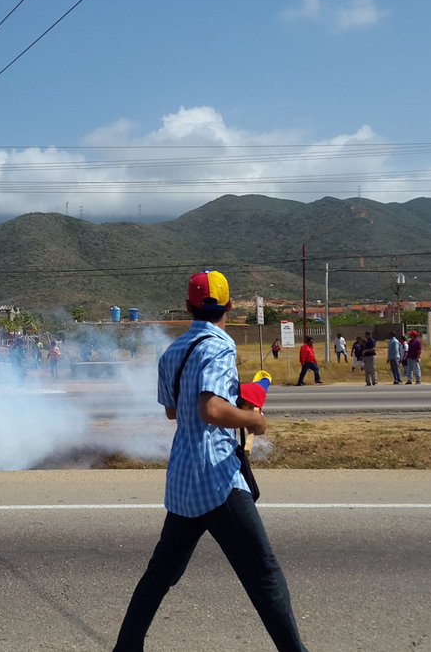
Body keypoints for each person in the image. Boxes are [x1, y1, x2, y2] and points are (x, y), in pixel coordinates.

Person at [113, 270, 307, 651]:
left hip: (184, 480)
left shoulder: (172, 352)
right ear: (230, 306)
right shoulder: (219, 346)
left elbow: (174, 412)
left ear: (188, 307)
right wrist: (254, 419)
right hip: (216, 479)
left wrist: (225, 404)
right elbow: (211, 408)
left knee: (159, 575)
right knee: (265, 577)